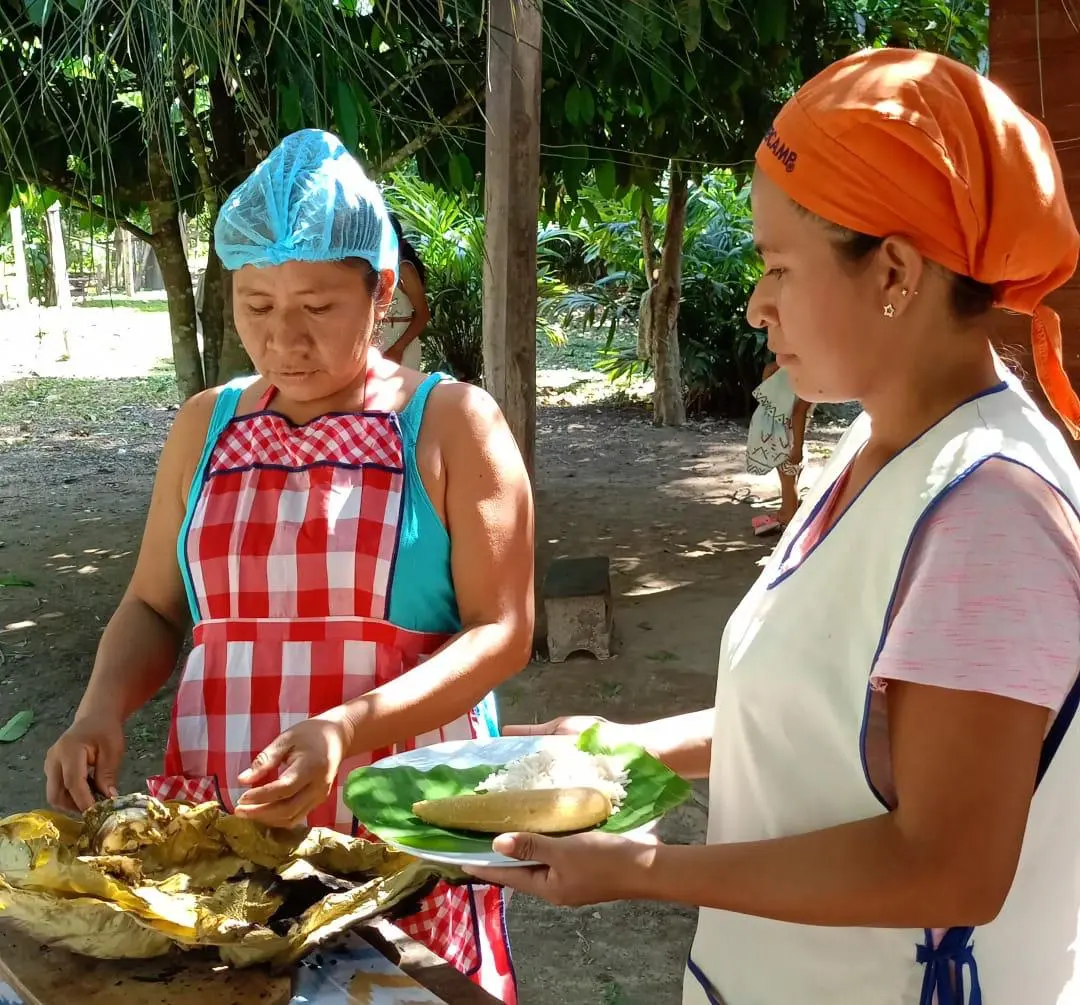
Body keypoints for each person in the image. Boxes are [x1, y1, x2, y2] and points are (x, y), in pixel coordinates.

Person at [466, 48, 1080, 1005]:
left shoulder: (988, 514)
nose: (758, 305)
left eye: (780, 267)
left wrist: (644, 870)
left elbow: (947, 866)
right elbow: (826, 721)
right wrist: (632, 743)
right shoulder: (877, 445)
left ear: (894, 271)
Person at [44, 129, 533, 1003]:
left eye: (316, 306)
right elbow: (155, 605)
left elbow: (502, 631)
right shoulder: (207, 426)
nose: (283, 339)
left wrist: (346, 728)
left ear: (381, 291)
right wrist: (98, 709)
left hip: (398, 823)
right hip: (230, 824)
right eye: (256, 304)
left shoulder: (451, 422)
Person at [746, 356, 812, 535]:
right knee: (790, 473)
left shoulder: (779, 366)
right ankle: (789, 517)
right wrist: (797, 446)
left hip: (765, 426)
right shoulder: (812, 375)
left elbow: (768, 376)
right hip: (785, 431)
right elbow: (798, 413)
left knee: (789, 474)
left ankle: (785, 511)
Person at [373, 214, 431, 370]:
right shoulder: (370, 269)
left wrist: (398, 349)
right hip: (375, 348)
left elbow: (423, 315)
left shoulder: (404, 269)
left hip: (403, 348)